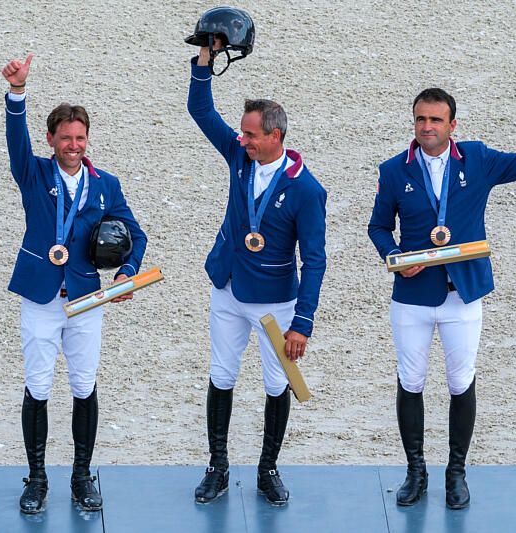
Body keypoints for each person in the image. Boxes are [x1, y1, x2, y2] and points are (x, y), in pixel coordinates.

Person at [368, 82, 516, 509]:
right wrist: (396, 256)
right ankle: (415, 471)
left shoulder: (476, 158)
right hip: (413, 294)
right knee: (411, 381)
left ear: (451, 125)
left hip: (463, 294)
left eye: (435, 120)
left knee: (460, 381)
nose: (426, 127)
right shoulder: (393, 170)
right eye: (420, 119)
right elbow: (378, 227)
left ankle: (456, 472)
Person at [1, 55, 147, 513]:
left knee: (84, 385)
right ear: (51, 140)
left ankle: (82, 476)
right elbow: (14, 141)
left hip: (86, 298)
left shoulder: (106, 185)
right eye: (65, 138)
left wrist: (127, 271)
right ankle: (38, 478)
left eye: (80, 138)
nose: (73, 145)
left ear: (88, 140)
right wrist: (17, 93)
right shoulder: (34, 173)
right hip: (42, 296)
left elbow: (135, 234)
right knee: (39, 386)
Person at [187, 40, 327, 505]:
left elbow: (316, 260)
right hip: (228, 288)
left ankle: (268, 468)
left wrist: (302, 323)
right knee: (221, 374)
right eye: (242, 134)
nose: (241, 139)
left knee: (275, 383)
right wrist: (205, 61)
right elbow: (200, 110)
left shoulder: (307, 190)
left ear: (275, 136)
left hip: (275, 301)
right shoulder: (239, 157)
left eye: (250, 135)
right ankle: (218, 465)